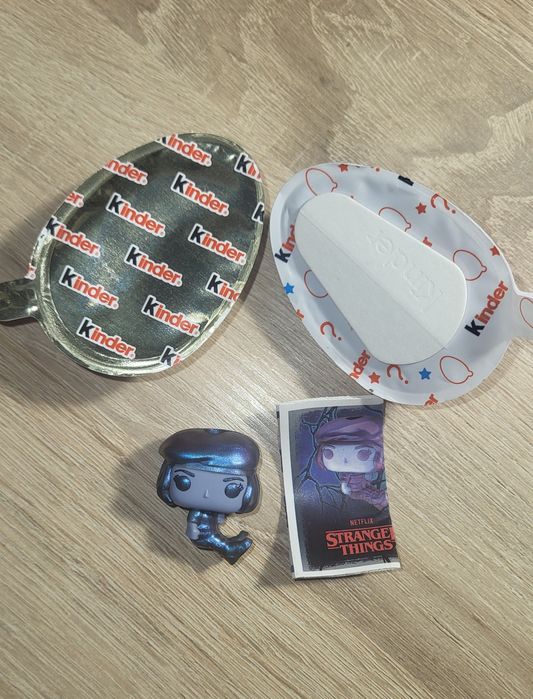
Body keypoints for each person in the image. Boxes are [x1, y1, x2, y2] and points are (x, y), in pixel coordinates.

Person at [157, 428, 260, 564]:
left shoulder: (207, 512)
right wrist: (192, 530)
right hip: (203, 536)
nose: (206, 494)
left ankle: (231, 547)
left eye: (232, 488)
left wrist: (219, 516)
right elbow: (192, 522)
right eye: (184, 481)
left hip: (209, 532)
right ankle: (230, 551)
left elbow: (215, 518)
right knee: (216, 541)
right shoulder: (197, 513)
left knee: (217, 539)